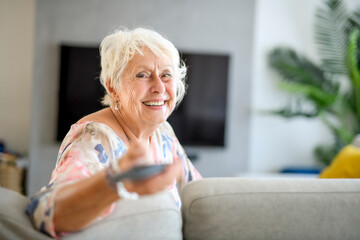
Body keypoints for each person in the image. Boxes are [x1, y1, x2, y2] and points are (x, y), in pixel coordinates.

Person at [26, 27, 202, 238]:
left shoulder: (163, 133)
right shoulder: (94, 136)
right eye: (142, 75)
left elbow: (199, 195)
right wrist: (116, 181)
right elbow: (47, 211)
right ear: (113, 87)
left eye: (166, 75)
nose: (159, 87)